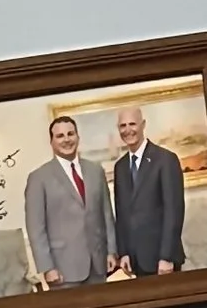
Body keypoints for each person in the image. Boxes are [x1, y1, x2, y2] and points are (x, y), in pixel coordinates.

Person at [19, 112, 110, 289]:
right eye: (60, 136)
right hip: (62, 271)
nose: (66, 139)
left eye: (70, 134)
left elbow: (106, 214)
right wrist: (47, 267)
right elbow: (36, 228)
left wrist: (112, 251)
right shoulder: (38, 178)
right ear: (51, 142)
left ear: (78, 137)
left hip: (98, 266)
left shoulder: (96, 170)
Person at [107, 103, 185, 277]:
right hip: (135, 262)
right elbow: (122, 213)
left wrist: (166, 257)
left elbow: (174, 212)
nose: (128, 130)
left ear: (143, 125)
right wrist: (124, 253)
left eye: (132, 124)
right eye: (123, 126)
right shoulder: (120, 167)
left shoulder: (165, 160)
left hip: (162, 261)